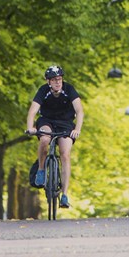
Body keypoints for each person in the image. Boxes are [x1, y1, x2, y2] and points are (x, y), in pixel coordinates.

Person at [25, 64, 84, 208]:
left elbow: (80, 111)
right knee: (45, 139)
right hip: (47, 121)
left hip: (65, 123)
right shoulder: (43, 91)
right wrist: (30, 127)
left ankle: (64, 195)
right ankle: (41, 170)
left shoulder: (69, 89)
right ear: (48, 81)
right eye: (54, 80)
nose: (57, 82)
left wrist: (77, 129)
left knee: (65, 154)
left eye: (59, 79)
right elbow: (33, 111)